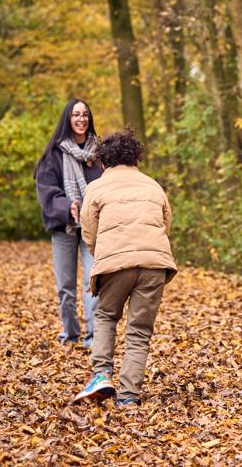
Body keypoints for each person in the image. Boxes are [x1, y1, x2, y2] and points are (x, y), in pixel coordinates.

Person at [73, 130, 177, 408]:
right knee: (140, 330)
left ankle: (102, 375)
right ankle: (129, 395)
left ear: (103, 161)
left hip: (115, 263)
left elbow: (89, 231)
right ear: (136, 158)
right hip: (154, 264)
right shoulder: (153, 185)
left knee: (106, 316)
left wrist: (102, 254)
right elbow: (165, 223)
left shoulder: (96, 188)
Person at [33, 98, 102, 354]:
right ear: (68, 118)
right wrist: (67, 206)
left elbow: (110, 185)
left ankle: (93, 336)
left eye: (85, 114)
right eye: (76, 114)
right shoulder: (54, 154)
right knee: (65, 286)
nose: (81, 119)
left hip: (92, 228)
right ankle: (70, 334)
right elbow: (46, 188)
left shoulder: (100, 154)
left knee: (93, 282)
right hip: (64, 228)